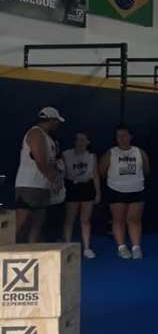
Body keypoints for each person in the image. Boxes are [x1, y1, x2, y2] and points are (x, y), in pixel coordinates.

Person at [14, 107, 65, 243]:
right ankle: (4, 248)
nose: (58, 124)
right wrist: (54, 180)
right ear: (51, 120)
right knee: (21, 221)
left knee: (38, 222)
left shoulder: (49, 138)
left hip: (42, 186)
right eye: (57, 121)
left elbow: (50, 162)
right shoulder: (36, 133)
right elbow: (40, 161)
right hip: (29, 185)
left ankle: (32, 250)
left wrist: (56, 176)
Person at [100, 124, 149, 260]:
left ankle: (136, 247)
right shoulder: (111, 153)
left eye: (124, 135)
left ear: (130, 136)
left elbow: (146, 170)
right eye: (118, 136)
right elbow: (102, 171)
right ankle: (121, 247)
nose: (121, 138)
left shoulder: (139, 152)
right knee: (118, 219)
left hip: (137, 190)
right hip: (116, 190)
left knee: (134, 219)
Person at [62, 132, 101, 258]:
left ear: (88, 142)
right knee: (70, 219)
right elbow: (61, 173)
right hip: (72, 187)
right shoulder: (66, 154)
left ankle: (87, 248)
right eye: (78, 140)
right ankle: (67, 246)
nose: (80, 142)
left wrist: (98, 192)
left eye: (83, 140)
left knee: (85, 220)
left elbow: (95, 175)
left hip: (87, 187)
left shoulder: (91, 156)